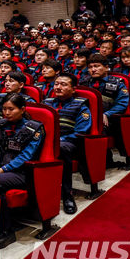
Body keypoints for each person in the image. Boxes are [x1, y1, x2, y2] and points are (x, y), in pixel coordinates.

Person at [0, 94, 44, 248]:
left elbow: (26, 155)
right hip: (1, 168)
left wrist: (3, 169)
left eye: (11, 109)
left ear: (22, 109)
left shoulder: (34, 128)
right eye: (4, 109)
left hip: (21, 173)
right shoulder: (0, 125)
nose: (6, 113)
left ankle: (7, 231)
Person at [43, 73, 93, 214]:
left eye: (63, 84)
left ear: (73, 89)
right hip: (47, 142)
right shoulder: (46, 103)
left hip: (70, 143)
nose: (58, 87)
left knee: (62, 149)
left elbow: (81, 132)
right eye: (57, 84)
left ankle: (67, 195)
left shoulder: (81, 106)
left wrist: (57, 141)